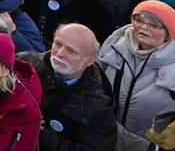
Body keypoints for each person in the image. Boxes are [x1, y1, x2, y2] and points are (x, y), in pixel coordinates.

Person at [97, 0, 175, 138]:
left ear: (168, 33)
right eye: (139, 20)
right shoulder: (111, 51)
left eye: (154, 25)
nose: (143, 27)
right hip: (105, 137)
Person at [23, 23, 116, 151]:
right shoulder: (25, 64)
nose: (60, 54)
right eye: (58, 44)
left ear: (90, 60)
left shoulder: (98, 107)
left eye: (71, 51)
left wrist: (41, 133)